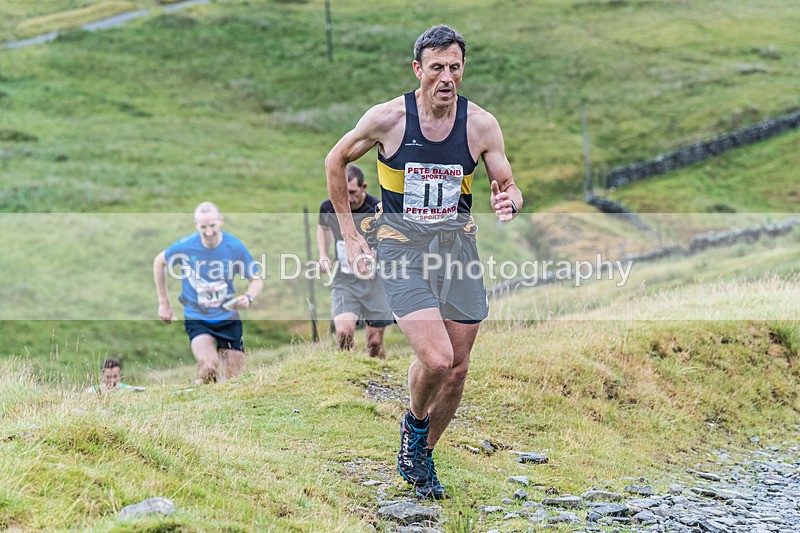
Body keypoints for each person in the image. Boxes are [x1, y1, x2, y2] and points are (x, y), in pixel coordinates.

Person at [325, 25, 523, 499]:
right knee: (437, 359)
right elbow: (335, 160)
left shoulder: (481, 125)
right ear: (418, 69)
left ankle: (422, 454)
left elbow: (509, 185)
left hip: (457, 252)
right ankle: (414, 426)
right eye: (436, 68)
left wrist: (510, 202)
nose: (446, 78)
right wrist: (350, 235)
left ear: (463, 68)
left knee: (457, 369)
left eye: (454, 67)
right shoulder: (389, 119)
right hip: (401, 251)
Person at [153, 201, 263, 383]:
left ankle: (218, 395)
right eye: (203, 227)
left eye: (212, 226)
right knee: (209, 367)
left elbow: (257, 280)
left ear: (221, 221)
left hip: (228, 317)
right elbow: (159, 261)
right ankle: (202, 390)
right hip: (197, 318)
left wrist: (249, 297)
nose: (209, 232)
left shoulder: (234, 246)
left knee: (234, 378)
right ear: (196, 225)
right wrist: (164, 303)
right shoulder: (186, 247)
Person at [318, 163, 394, 357]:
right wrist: (323, 255)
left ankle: (378, 372)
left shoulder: (377, 209)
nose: (347, 198)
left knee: (374, 342)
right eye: (343, 193)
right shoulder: (329, 207)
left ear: (363, 187)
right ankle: (347, 370)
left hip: (376, 282)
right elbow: (323, 228)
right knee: (343, 334)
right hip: (345, 280)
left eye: (351, 192)